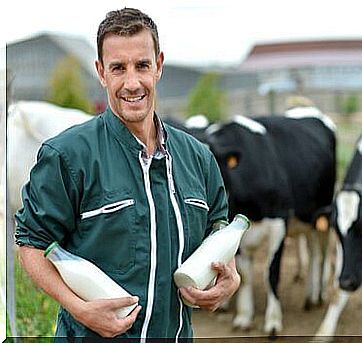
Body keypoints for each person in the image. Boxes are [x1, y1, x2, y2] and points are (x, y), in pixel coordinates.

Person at [15, 7, 240, 339]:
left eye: (142, 66)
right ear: (101, 73)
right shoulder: (67, 155)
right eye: (118, 68)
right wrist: (79, 309)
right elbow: (31, 245)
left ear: (159, 66)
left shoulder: (199, 158)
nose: (132, 83)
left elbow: (219, 231)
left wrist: (230, 279)